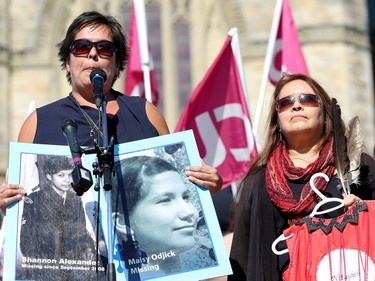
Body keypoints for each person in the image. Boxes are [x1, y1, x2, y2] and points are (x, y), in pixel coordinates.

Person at [0, 9, 222, 277]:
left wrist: (205, 184)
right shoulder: (38, 122)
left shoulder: (145, 113)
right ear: (68, 62)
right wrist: (6, 203)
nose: (93, 54)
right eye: (82, 47)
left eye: (104, 49)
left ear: (116, 65)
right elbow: (19, 198)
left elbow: (175, 180)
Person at [228, 73, 375, 280]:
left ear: (324, 113)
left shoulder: (359, 165)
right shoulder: (257, 181)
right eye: (286, 103)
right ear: (277, 120)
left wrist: (367, 213)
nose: (296, 106)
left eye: (307, 99)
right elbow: (241, 258)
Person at [112, 154, 216, 279]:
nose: (190, 212)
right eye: (165, 200)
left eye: (186, 197)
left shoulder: (209, 259)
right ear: (122, 222)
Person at [18, 155, 99, 281]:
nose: (67, 180)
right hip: (44, 268)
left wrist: (88, 248)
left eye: (70, 175)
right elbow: (26, 241)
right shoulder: (34, 199)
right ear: (49, 176)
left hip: (74, 266)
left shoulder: (75, 200)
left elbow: (81, 232)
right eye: (61, 175)